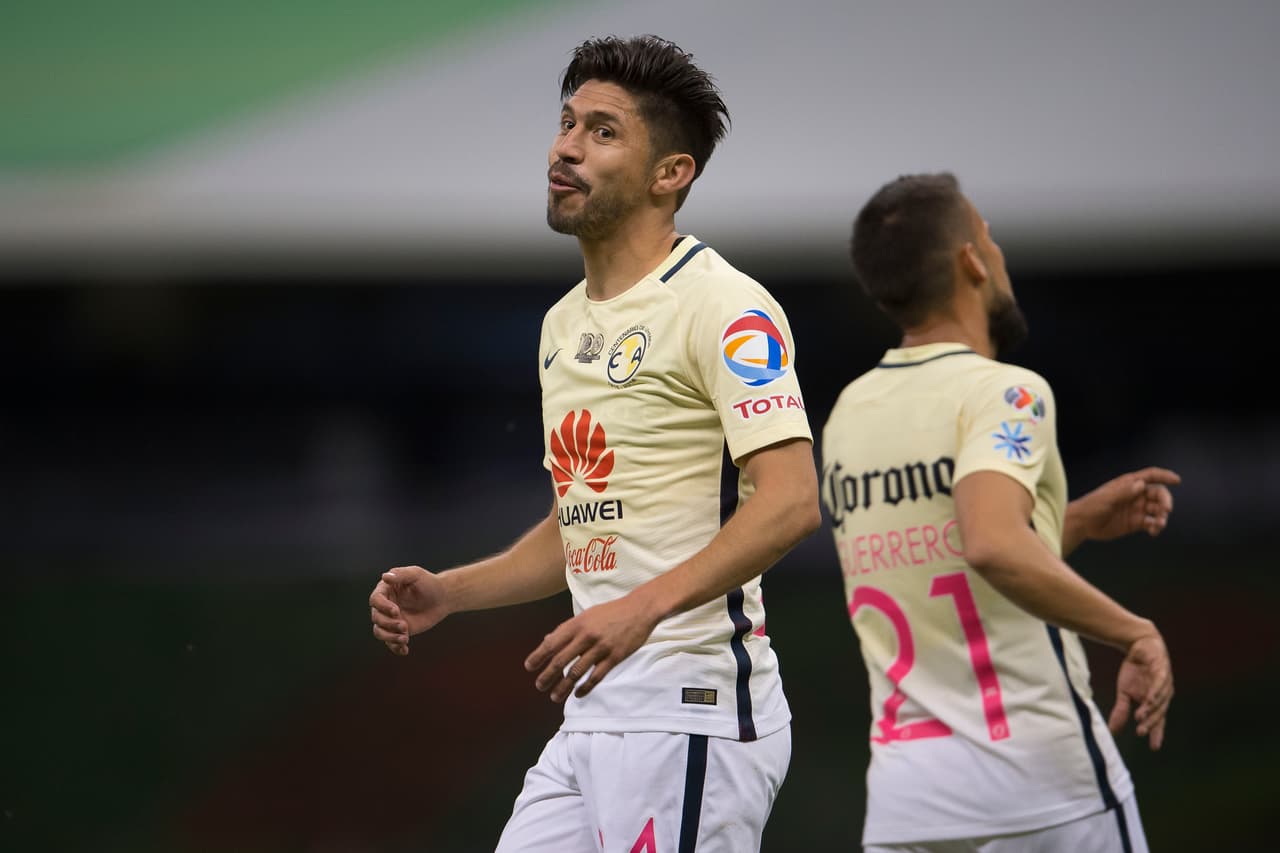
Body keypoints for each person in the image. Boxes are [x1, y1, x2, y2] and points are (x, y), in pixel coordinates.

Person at [369, 35, 820, 852]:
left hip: (692, 714)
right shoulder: (562, 324)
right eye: (567, 122)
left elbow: (790, 502)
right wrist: (452, 591)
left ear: (670, 174)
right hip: (594, 717)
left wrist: (638, 612)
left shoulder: (724, 306)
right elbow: (581, 526)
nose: (567, 147)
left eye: (604, 131)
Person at [821, 172, 1178, 853]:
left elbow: (929, 555)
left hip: (908, 804)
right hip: (1040, 790)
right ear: (972, 261)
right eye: (987, 233)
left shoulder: (849, 414)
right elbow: (988, 545)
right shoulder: (1008, 394)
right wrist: (1137, 633)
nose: (998, 249)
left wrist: (1059, 523)